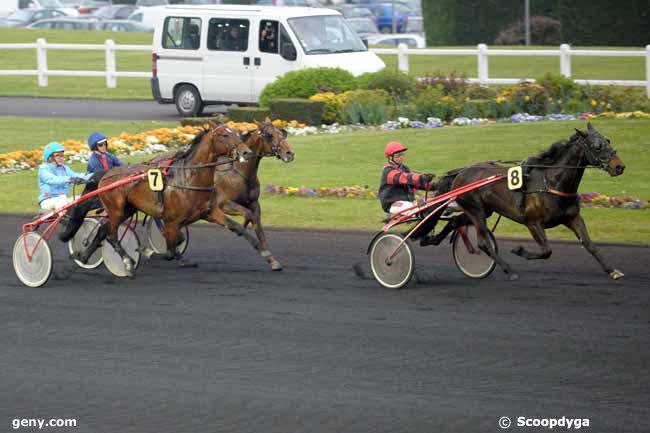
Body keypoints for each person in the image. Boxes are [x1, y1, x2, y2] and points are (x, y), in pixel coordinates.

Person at [378, 141, 435, 215]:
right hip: (393, 204)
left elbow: (416, 183)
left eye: (402, 154)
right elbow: (404, 178)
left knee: (431, 204)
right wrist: (421, 177)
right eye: (398, 155)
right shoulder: (388, 171)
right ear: (390, 157)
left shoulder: (404, 168)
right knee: (417, 208)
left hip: (408, 202)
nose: (401, 157)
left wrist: (435, 186)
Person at [38, 141, 92, 211]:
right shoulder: (44, 169)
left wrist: (95, 175)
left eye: (61, 155)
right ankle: (67, 221)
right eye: (57, 155)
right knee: (62, 198)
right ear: (50, 158)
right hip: (47, 201)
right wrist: (70, 179)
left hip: (63, 200)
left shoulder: (64, 168)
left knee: (84, 197)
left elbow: (77, 175)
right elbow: (53, 179)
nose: (61, 158)